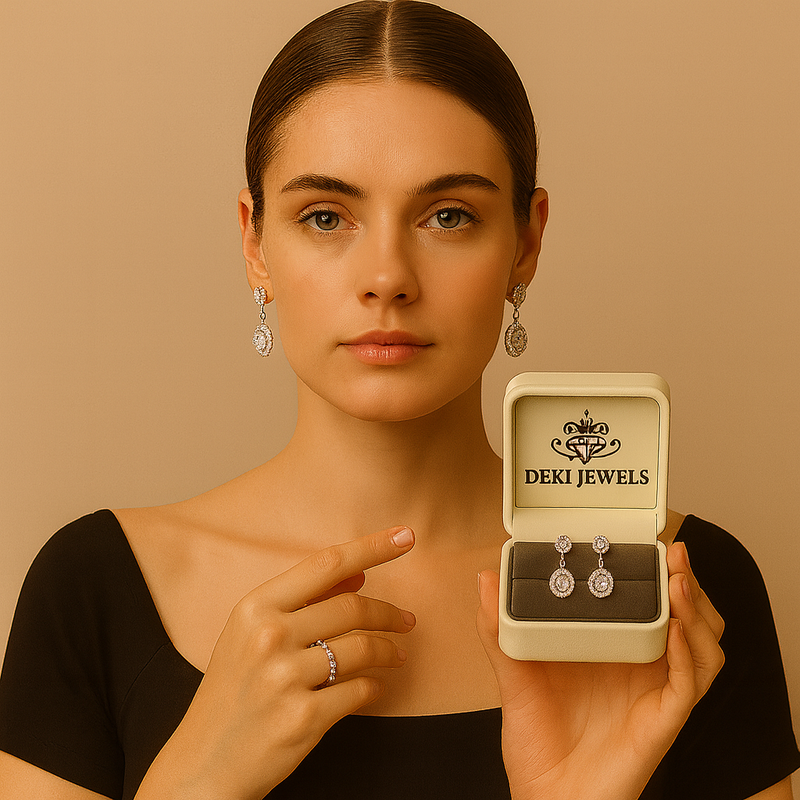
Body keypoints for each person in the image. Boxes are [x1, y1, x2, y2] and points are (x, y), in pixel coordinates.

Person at [0, 1, 797, 798]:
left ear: (527, 240)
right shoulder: (95, 590)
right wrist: (195, 780)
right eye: (325, 216)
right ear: (254, 243)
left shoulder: (677, 591)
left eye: (449, 215)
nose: (388, 276)